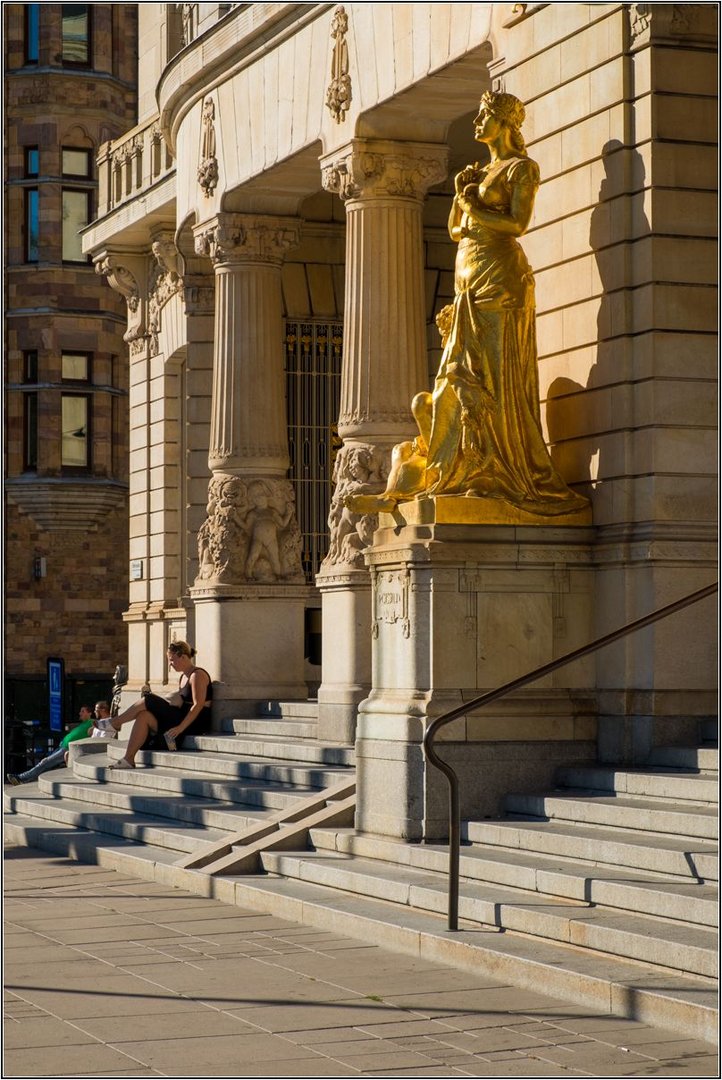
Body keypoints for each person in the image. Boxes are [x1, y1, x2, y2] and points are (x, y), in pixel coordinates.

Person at [107, 641, 213, 770]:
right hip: (181, 717)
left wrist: (179, 728)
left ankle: (116, 723)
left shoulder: (197, 675)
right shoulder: (183, 677)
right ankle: (128, 759)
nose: (170, 664)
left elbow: (198, 705)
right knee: (144, 715)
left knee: (149, 700)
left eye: (172, 660)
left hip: (195, 722)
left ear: (183, 657)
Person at [6, 705, 95, 786]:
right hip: (62, 746)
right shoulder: (82, 724)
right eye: (80, 711)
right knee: (46, 763)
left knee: (45, 762)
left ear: (90, 713)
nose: (80, 713)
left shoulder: (92, 723)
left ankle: (21, 777)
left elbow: (96, 731)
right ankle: (24, 779)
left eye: (83, 711)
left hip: (67, 749)